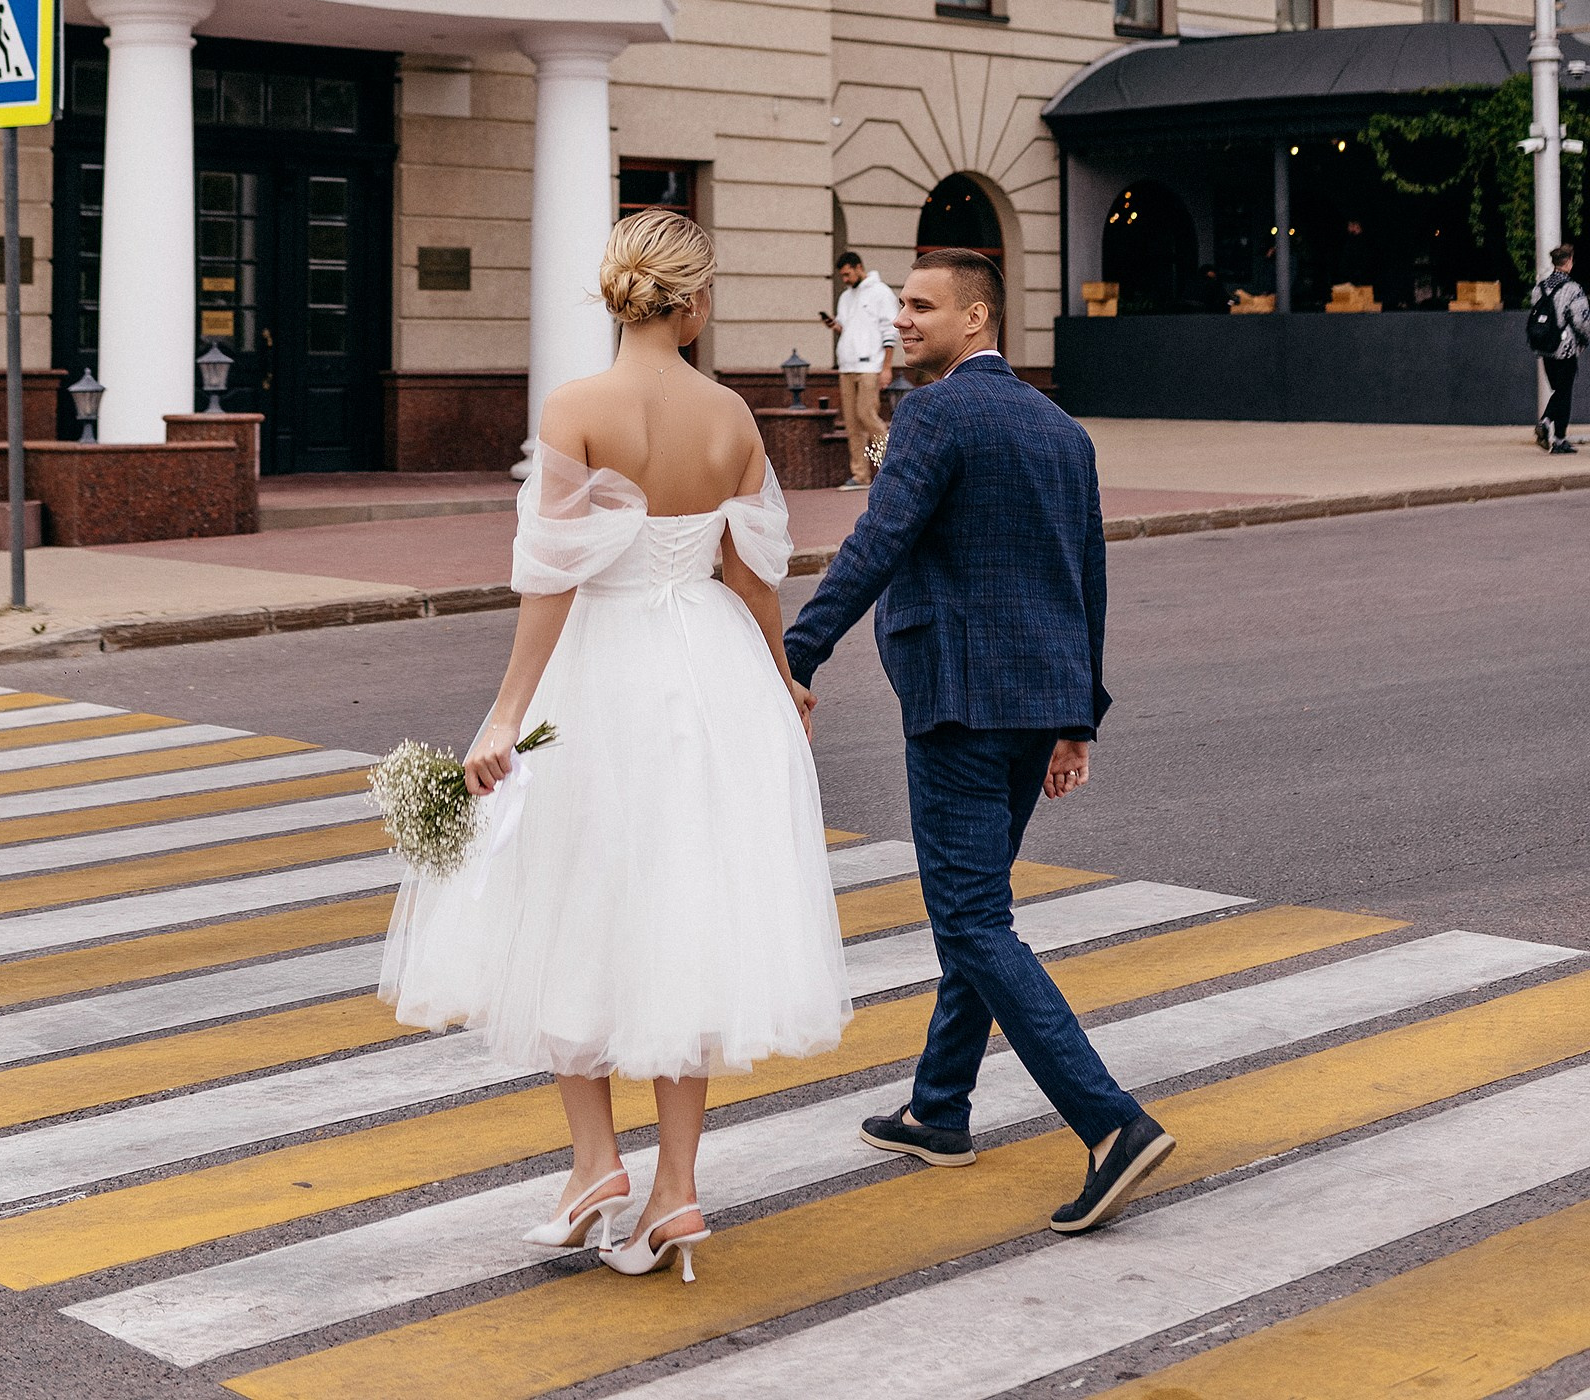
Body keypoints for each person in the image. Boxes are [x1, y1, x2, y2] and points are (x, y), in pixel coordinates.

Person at [381, 208, 851, 1281]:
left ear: (613, 293)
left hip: (603, 671)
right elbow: (753, 573)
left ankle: (596, 1163)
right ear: (693, 300)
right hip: (713, 673)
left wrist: (504, 715)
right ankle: (675, 1191)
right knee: (683, 914)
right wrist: (779, 678)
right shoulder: (731, 415)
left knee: (574, 903)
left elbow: (551, 575)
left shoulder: (577, 406)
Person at [783, 246, 1176, 1238]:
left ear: (974, 319)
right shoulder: (1058, 428)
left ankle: (1108, 1124)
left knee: (967, 921)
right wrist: (1074, 715)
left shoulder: (934, 415)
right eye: (900, 305)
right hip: (1032, 700)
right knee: (979, 910)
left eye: (919, 307)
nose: (900, 320)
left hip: (957, 700)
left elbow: (877, 542)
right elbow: (1085, 579)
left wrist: (797, 650)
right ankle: (938, 1108)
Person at [825, 248, 901, 486]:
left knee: (867, 416)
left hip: (871, 366)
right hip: (847, 366)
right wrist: (834, 326)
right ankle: (860, 475)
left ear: (859, 267)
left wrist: (887, 368)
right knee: (852, 423)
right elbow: (848, 327)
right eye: (842, 276)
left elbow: (890, 331)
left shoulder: (881, 293)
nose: (845, 280)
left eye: (847, 274)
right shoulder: (846, 297)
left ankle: (889, 469)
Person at [1529, 241, 1589, 454]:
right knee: (1564, 392)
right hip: (1565, 349)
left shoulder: (1540, 287)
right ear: (1569, 263)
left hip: (1545, 348)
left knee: (1559, 391)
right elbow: (1582, 321)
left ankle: (1553, 431)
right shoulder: (1573, 289)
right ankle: (1554, 433)